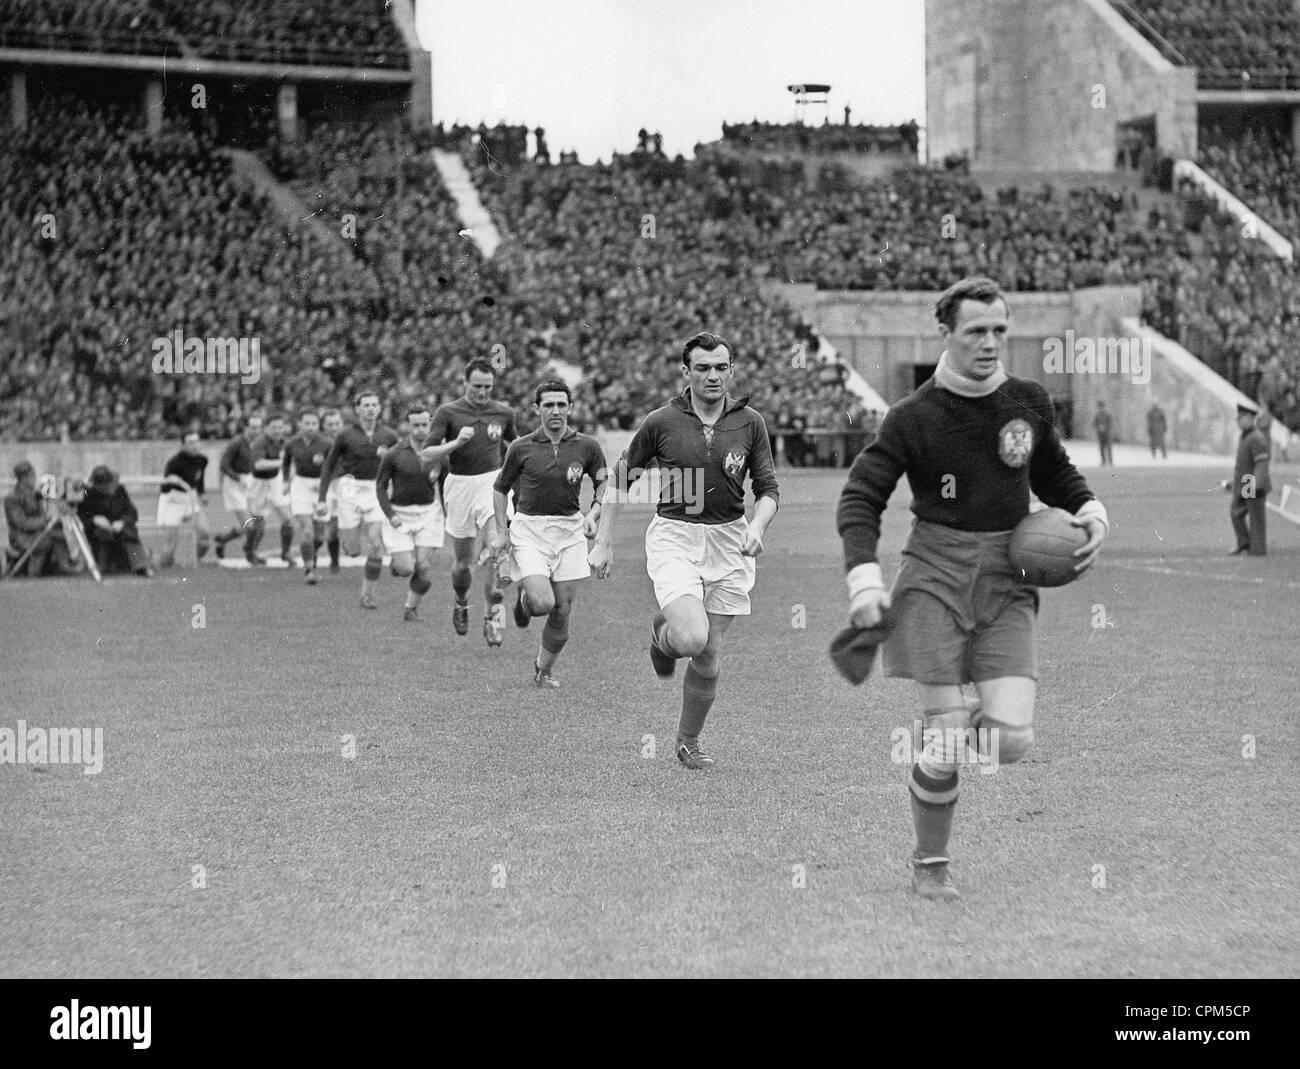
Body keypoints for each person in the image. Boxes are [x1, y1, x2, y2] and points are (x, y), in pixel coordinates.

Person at [836, 277, 1108, 902]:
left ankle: (946, 738)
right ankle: (930, 863)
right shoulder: (913, 417)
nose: (990, 343)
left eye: (999, 331)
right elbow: (862, 496)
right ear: (946, 336)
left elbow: (1055, 473)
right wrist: (863, 579)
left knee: (1010, 741)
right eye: (975, 332)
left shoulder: (1029, 402)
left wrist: (1092, 513)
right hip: (933, 578)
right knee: (951, 732)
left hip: (1008, 581)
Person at [588, 332, 780, 769]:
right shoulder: (661, 421)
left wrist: (758, 524)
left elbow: (767, 489)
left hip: (730, 541)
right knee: (692, 637)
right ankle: (665, 637)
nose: (713, 375)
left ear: (731, 370)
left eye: (721, 367)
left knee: (708, 653)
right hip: (676, 535)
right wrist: (603, 542)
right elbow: (620, 479)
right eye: (703, 368)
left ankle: (687, 741)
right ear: (686, 372)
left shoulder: (750, 422)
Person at [490, 378, 608, 687]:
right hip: (530, 530)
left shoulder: (588, 446)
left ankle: (543, 669)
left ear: (570, 408)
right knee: (544, 603)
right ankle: (526, 600)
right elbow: (500, 489)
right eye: (548, 405)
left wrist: (594, 513)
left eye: (560, 405)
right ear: (537, 409)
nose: (555, 411)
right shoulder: (521, 447)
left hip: (569, 530)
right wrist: (502, 531)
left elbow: (603, 485)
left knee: (562, 610)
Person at [428, 359, 518, 646]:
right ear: (465, 384)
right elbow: (429, 451)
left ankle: (494, 622)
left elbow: (517, 449)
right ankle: (461, 600)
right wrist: (455, 444)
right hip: (459, 486)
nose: (482, 392)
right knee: (463, 565)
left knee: (497, 551)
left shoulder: (503, 413)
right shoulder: (448, 413)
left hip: (492, 484)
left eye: (488, 387)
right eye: (477, 386)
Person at [375, 402, 473, 621]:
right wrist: (390, 515)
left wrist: (451, 519)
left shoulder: (440, 455)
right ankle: (397, 565)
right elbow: (380, 486)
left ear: (430, 424)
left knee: (423, 568)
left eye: (424, 424)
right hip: (400, 515)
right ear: (408, 426)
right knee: (406, 569)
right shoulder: (394, 453)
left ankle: (410, 608)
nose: (420, 429)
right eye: (415, 425)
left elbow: (447, 489)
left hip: (429, 514)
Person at [316, 391, 400, 609]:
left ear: (380, 408)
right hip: (349, 487)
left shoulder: (389, 435)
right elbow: (328, 465)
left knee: (375, 542)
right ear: (358, 409)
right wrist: (322, 498)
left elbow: (400, 463)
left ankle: (367, 595)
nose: (371, 408)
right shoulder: (345, 435)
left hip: (376, 488)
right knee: (352, 550)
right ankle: (351, 543)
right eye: (366, 405)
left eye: (374, 404)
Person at [282, 410, 333, 584]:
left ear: (318, 425)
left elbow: (336, 464)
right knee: (307, 530)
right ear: (300, 424)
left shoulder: (326, 443)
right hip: (300, 486)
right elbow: (286, 461)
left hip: (321, 486)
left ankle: (311, 553)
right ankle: (309, 570)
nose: (310, 427)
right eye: (307, 423)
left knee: (319, 537)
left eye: (313, 424)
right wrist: (284, 480)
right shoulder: (291, 443)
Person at [77, 465, 153, 577]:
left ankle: (141, 566)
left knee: (129, 533)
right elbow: (79, 517)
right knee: (102, 534)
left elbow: (132, 513)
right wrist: (94, 519)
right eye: (100, 486)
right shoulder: (87, 493)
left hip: (120, 531)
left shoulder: (119, 490)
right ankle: (101, 565)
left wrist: (122, 522)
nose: (103, 489)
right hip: (97, 534)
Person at [4, 461, 76, 577]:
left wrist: (60, 502)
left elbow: (54, 497)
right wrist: (45, 520)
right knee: (52, 537)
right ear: (23, 478)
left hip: (38, 533)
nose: (34, 479)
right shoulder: (12, 498)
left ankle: (61, 564)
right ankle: (58, 566)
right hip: (21, 537)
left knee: (61, 530)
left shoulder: (35, 494)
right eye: (32, 476)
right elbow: (22, 523)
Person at [156, 430, 212, 568]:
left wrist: (202, 493)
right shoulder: (174, 463)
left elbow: (199, 479)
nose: (195, 445)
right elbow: (164, 488)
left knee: (204, 534)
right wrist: (172, 481)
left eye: (196, 442)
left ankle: (195, 562)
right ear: (182, 445)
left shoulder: (202, 460)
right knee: (171, 544)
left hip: (189, 498)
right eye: (190, 443)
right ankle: (164, 570)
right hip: (173, 500)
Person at [247, 412, 295, 567]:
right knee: (258, 523)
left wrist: (287, 479)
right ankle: (250, 551)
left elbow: (290, 462)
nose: (277, 431)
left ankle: (286, 553)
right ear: (266, 428)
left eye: (280, 427)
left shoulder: (284, 442)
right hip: (258, 484)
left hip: (275, 481)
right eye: (274, 427)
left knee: (287, 518)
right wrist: (281, 463)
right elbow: (259, 464)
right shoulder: (259, 443)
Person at [214, 414, 262, 562]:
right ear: (246, 427)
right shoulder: (237, 442)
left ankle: (223, 539)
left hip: (248, 482)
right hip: (234, 484)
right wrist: (236, 478)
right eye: (253, 427)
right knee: (250, 524)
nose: (256, 430)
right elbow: (223, 464)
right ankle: (250, 554)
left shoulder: (256, 443)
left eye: (259, 427)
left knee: (256, 520)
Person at [1227, 402, 1270, 556]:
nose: (1238, 421)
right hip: (1244, 484)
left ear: (1251, 418)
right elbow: (1243, 464)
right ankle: (1244, 543)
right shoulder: (1245, 436)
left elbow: (1261, 463)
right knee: (1235, 513)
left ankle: (1257, 549)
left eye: (1241, 418)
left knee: (1256, 518)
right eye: (1238, 418)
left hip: (1253, 485)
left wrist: (1256, 484)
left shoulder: (1256, 437)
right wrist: (1234, 483)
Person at [1092, 400, 1114, 466]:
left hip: (1107, 434)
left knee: (1109, 448)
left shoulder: (1107, 414)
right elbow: (1094, 423)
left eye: (1102, 407)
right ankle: (1103, 461)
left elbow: (1110, 423)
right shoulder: (1097, 415)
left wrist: (1105, 428)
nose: (1101, 408)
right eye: (1099, 407)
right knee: (1101, 448)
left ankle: (1110, 462)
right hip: (1100, 434)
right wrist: (1098, 428)